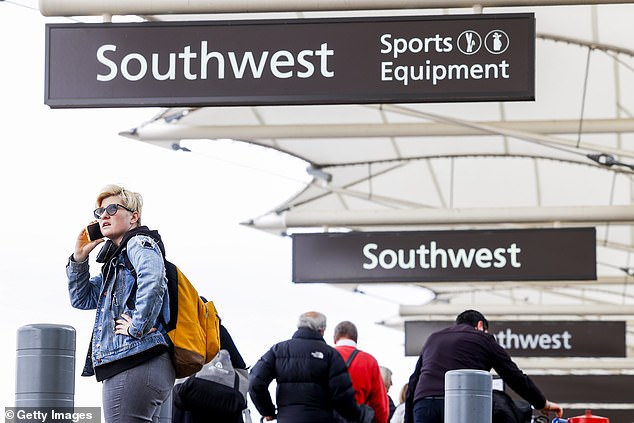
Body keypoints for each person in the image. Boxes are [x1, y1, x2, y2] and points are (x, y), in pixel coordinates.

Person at [66, 184, 175, 423]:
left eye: (112, 208)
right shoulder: (117, 264)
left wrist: (138, 325)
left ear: (134, 216)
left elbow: (153, 277)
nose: (104, 215)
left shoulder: (138, 243)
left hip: (134, 360)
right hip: (143, 363)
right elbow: (81, 298)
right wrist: (79, 259)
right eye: (99, 212)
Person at [404, 310, 564, 423]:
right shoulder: (483, 338)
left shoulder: (433, 338)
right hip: (461, 404)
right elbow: (513, 375)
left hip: (424, 404)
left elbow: (414, 381)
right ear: (480, 325)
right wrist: (542, 403)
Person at [248, 311, 366, 423]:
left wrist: (267, 411)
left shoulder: (278, 350)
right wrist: (354, 416)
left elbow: (255, 381)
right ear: (322, 330)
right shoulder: (331, 354)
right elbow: (342, 394)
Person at [334, 321, 389, 423]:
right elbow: (380, 404)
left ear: (334, 338)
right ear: (356, 339)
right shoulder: (369, 361)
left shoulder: (326, 357)